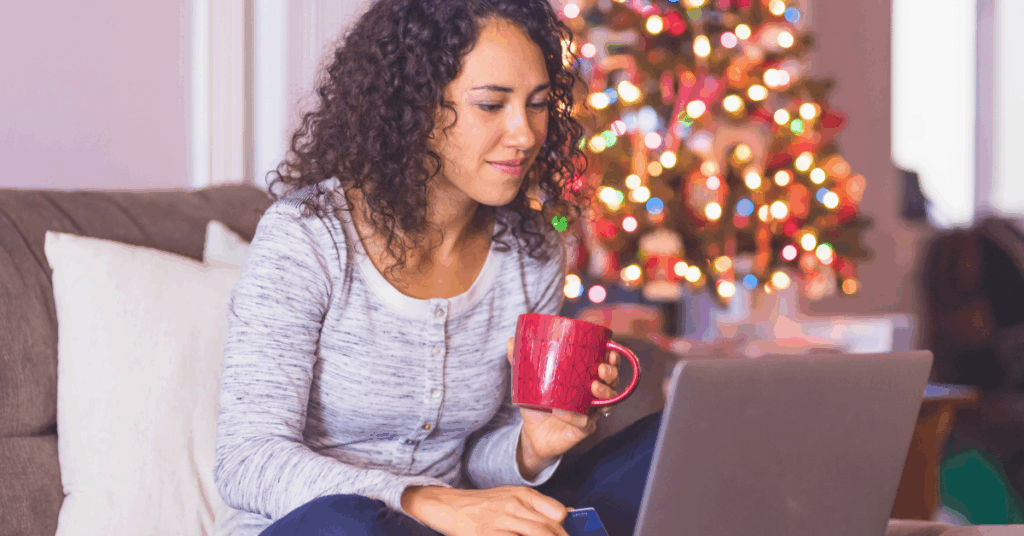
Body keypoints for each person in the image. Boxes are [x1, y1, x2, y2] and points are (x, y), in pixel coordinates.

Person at [212, 1, 664, 535]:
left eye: (538, 104)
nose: (524, 134)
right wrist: (424, 502)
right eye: (492, 105)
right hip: (324, 525)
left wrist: (530, 448)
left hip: (459, 524)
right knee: (349, 522)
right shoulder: (308, 238)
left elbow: (476, 457)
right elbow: (246, 459)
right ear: (415, 108)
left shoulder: (531, 250)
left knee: (671, 444)